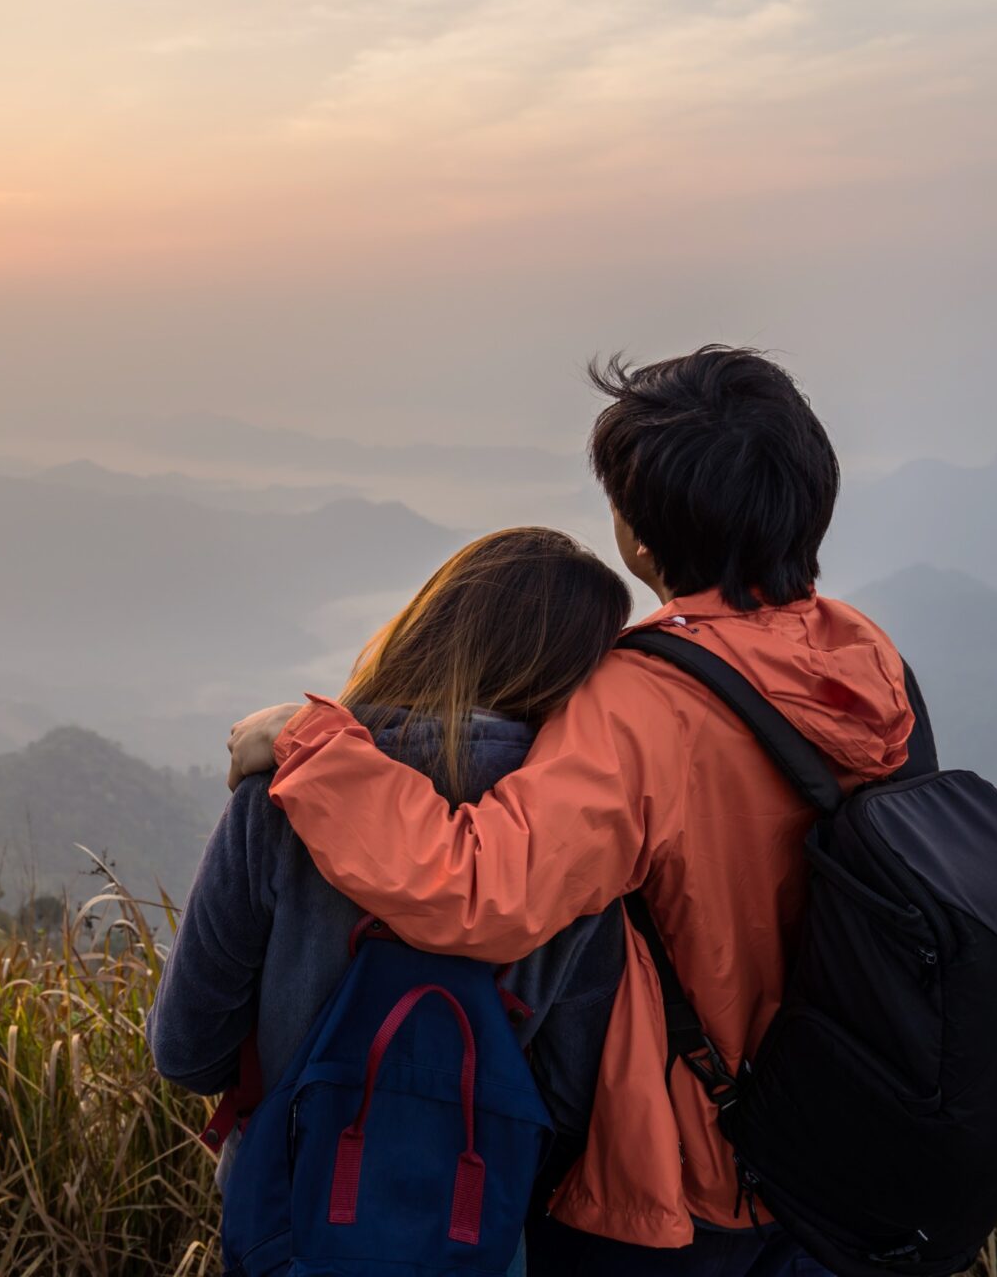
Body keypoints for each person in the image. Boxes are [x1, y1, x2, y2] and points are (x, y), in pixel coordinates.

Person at [227, 347, 914, 1276]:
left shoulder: (647, 701)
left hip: (684, 1178)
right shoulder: (867, 663)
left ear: (638, 537)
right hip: (839, 1151)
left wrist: (313, 741)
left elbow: (477, 891)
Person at [150, 527, 634, 1271]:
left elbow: (185, 1052)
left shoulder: (285, 794)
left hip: (292, 1226)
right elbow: (569, 1103)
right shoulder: (583, 841)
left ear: (434, 623)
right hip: (475, 1238)